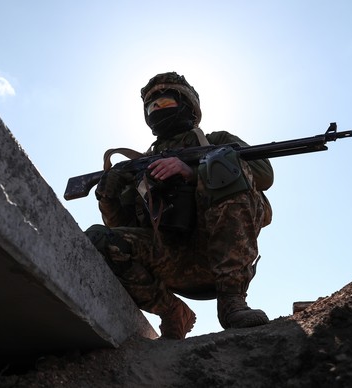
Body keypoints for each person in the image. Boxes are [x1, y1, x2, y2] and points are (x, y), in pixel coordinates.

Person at [85, 71, 274, 339]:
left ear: (187, 105)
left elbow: (264, 174)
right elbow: (122, 232)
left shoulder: (215, 141)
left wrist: (193, 171)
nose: (158, 110)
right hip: (169, 259)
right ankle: (173, 312)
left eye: (166, 103)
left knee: (227, 164)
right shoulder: (141, 166)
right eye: (153, 106)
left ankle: (232, 302)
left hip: (218, 252)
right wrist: (109, 196)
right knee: (99, 240)